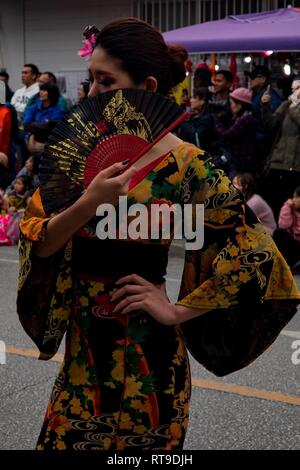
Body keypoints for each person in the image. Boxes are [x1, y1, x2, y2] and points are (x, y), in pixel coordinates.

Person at [17, 18, 299, 451]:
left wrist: (178, 310)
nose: (92, 94)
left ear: (146, 87)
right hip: (83, 359)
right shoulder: (78, 156)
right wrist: (89, 201)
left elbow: (258, 254)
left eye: (105, 81)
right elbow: (40, 240)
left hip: (154, 366)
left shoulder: (189, 165)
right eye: (91, 79)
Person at [260, 79, 300, 219]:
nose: (296, 91)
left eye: (298, 88)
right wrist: (265, 105)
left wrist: (294, 107)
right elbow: (270, 122)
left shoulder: (292, 107)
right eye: (294, 88)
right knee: (276, 203)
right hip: (278, 162)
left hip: (296, 165)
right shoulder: (287, 104)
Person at [214, 87, 257, 175]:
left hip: (241, 163)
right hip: (240, 161)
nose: (231, 106)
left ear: (240, 104)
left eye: (232, 103)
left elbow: (228, 135)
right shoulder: (243, 117)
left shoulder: (246, 119)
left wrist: (216, 122)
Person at [177, 87, 214, 153]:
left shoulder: (207, 118)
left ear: (202, 101)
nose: (191, 100)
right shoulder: (194, 115)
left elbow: (197, 138)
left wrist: (183, 122)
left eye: (194, 97)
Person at [273, 186, 300, 271]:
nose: (294, 200)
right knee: (279, 232)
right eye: (293, 197)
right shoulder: (289, 207)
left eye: (296, 197)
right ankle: (283, 263)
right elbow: (283, 226)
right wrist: (287, 207)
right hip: (294, 242)